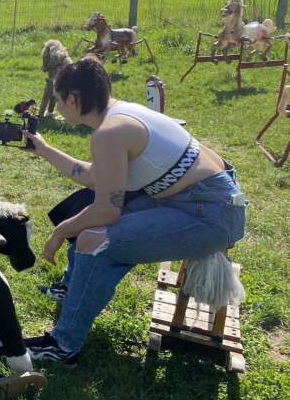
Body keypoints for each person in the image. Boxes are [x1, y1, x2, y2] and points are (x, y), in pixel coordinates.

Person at [22, 57, 247, 368]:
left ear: (73, 99)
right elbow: (94, 176)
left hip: (209, 215)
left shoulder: (109, 133)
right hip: (203, 201)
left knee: (93, 240)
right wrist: (44, 149)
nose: (58, 109)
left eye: (59, 101)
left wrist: (60, 232)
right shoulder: (121, 116)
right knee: (88, 227)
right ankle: (73, 292)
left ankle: (63, 347)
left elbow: (106, 211)